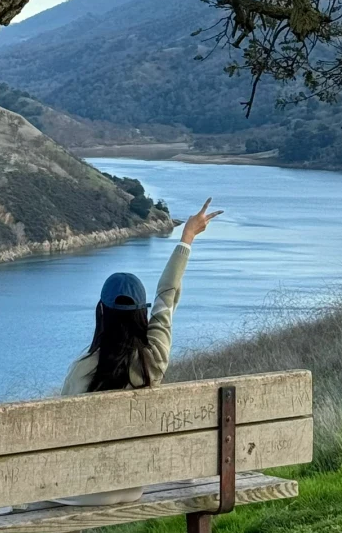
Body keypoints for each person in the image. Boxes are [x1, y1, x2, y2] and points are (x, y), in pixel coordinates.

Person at [55, 197, 223, 506]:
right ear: (141, 315)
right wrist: (187, 237)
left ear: (101, 313)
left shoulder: (82, 368)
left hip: (81, 491)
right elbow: (166, 297)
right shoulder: (153, 361)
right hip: (131, 486)